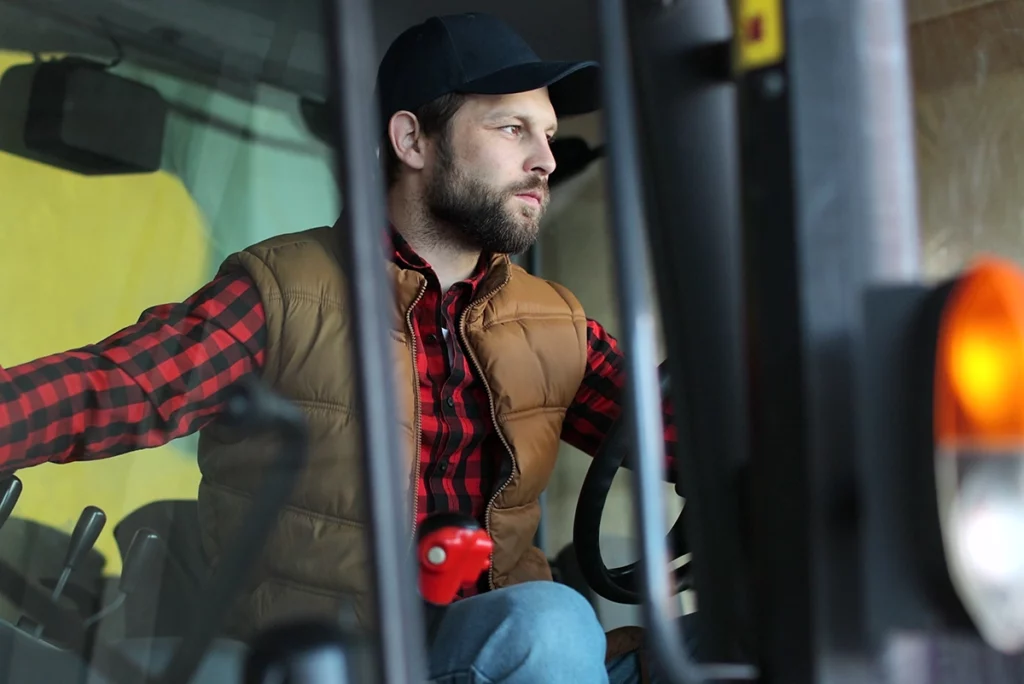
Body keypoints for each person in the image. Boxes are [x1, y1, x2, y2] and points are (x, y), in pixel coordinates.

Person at [0, 12, 683, 684]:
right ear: (413, 140)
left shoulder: (555, 322)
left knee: (701, 646)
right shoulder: (286, 292)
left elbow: (690, 437)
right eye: (513, 129)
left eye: (550, 135)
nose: (546, 160)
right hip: (335, 659)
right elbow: (115, 387)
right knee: (554, 621)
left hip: (500, 652)